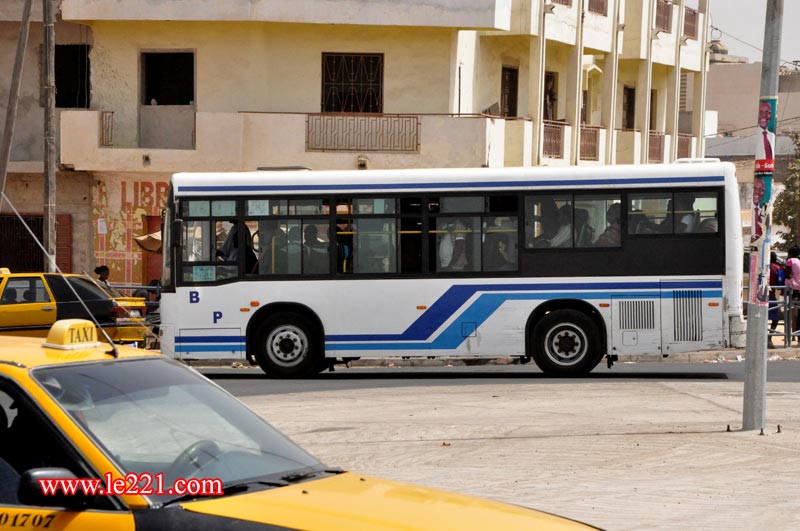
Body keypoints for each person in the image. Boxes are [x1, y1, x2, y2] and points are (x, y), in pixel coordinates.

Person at [768, 251, 785, 348]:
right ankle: (769, 338)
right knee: (775, 319)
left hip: (758, 296)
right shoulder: (776, 268)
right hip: (770, 296)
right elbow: (780, 284)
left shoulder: (762, 267)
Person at [784, 246, 800, 342]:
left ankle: (790, 336)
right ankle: (797, 335)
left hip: (792, 288)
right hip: (799, 289)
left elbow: (787, 274)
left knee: (790, 313)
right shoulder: (799, 260)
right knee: (798, 313)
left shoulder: (790, 261)